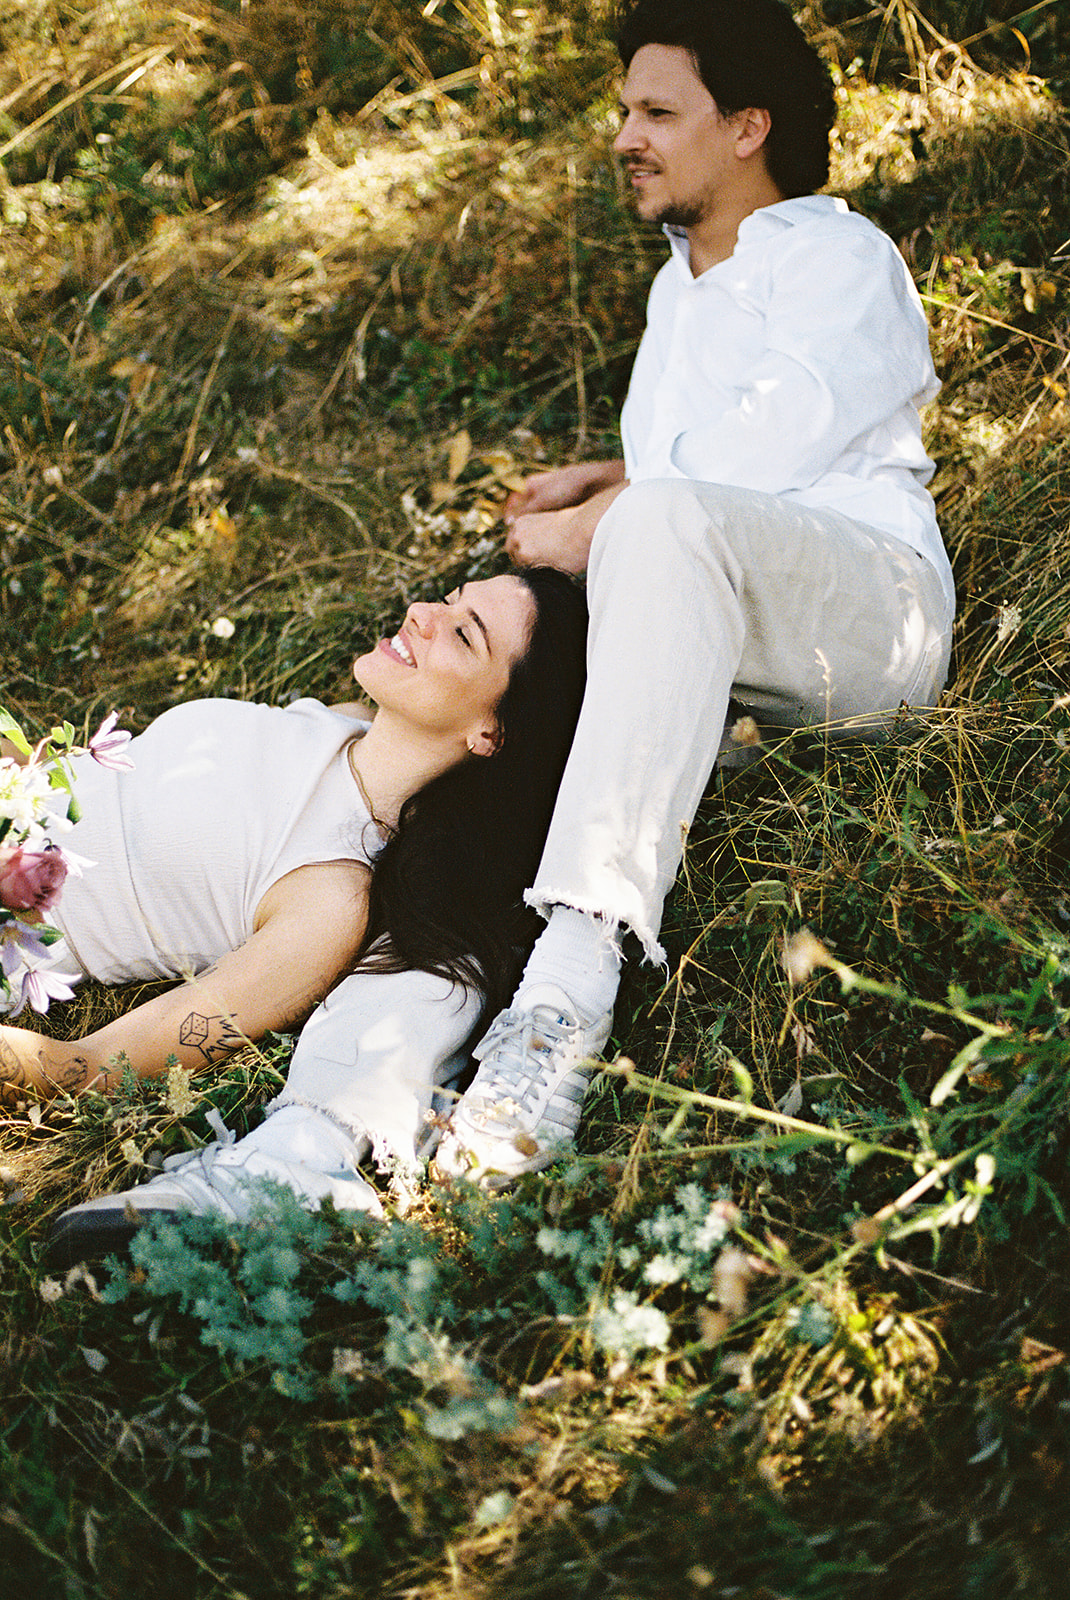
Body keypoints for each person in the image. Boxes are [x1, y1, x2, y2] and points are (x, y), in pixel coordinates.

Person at [432, 0, 956, 1185]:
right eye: (625, 110)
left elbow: (773, 457)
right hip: (737, 638)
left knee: (643, 535)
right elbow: (710, 467)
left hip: (874, 618)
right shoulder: (679, 290)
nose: (625, 134)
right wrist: (611, 476)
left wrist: (608, 518)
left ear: (746, 129)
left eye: (657, 111)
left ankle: (563, 1003)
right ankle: (415, 975)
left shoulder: (837, 255)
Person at [6, 569, 587, 1261]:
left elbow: (89, 1067)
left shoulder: (326, 898)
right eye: (452, 598)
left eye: (463, 634)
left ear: (491, 733)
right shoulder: (339, 723)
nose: (424, 613)